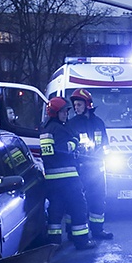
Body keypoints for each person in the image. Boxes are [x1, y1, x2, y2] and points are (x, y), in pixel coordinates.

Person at [40, 96, 95, 250]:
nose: (66, 114)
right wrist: (75, 142)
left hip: (52, 180)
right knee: (78, 207)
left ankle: (54, 243)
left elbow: (49, 154)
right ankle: (82, 241)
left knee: (55, 212)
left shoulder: (46, 129)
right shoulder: (59, 129)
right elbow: (64, 149)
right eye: (63, 112)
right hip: (68, 179)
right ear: (55, 112)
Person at [67, 88, 113, 240]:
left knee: (98, 199)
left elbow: (106, 145)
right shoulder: (71, 124)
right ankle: (72, 231)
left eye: (79, 105)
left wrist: (104, 155)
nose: (76, 108)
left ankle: (98, 230)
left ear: (88, 105)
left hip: (98, 170)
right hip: (80, 170)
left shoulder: (99, 123)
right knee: (77, 202)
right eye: (75, 105)